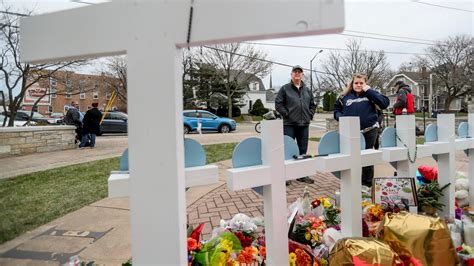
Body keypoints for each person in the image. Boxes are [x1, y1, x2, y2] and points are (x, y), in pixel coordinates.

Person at [333, 73, 390, 187]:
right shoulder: (344, 96)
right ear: (352, 84)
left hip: (369, 130)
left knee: (367, 158)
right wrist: (341, 117)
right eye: (356, 83)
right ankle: (352, 182)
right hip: (351, 132)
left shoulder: (371, 94)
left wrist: (368, 91)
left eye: (361, 83)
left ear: (365, 83)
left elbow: (384, 103)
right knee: (351, 157)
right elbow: (336, 110)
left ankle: (367, 184)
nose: (358, 85)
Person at [275, 65, 317, 184]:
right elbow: (278, 104)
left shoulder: (307, 90)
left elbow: (313, 105)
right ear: (291, 74)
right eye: (295, 72)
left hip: (304, 125)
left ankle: (302, 175)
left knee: (302, 150)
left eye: (299, 72)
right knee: (288, 150)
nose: (297, 74)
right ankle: (286, 176)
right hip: (289, 124)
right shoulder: (285, 89)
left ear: (302, 74)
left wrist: (310, 115)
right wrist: (287, 114)